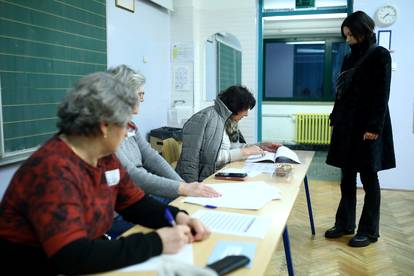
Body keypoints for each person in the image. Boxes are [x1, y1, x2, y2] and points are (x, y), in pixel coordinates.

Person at [0, 72, 210, 275]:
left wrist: (178, 217)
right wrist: (157, 242)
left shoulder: (103, 156)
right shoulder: (53, 169)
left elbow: (134, 203)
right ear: (104, 126)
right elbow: (72, 255)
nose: (128, 131)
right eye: (125, 124)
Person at [325, 11, 395, 247]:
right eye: (345, 35)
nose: (347, 39)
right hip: (347, 124)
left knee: (368, 179)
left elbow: (382, 94)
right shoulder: (348, 58)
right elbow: (342, 90)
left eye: (350, 35)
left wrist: (375, 127)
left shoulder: (380, 55)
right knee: (346, 178)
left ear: (362, 30)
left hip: (368, 126)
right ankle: (345, 223)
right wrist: (335, 114)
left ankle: (369, 231)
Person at [108, 65, 220, 203]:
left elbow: (152, 158)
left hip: (141, 194)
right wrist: (182, 188)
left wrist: (183, 185)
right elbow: (132, 175)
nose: (142, 99)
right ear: (124, 95)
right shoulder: (105, 133)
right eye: (140, 94)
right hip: (126, 203)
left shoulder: (130, 126)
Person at [176, 85, 281, 182]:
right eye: (245, 109)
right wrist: (244, 152)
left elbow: (228, 148)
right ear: (236, 106)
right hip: (202, 181)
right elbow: (203, 159)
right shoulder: (203, 118)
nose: (246, 114)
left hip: (217, 176)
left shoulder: (225, 119)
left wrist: (260, 146)